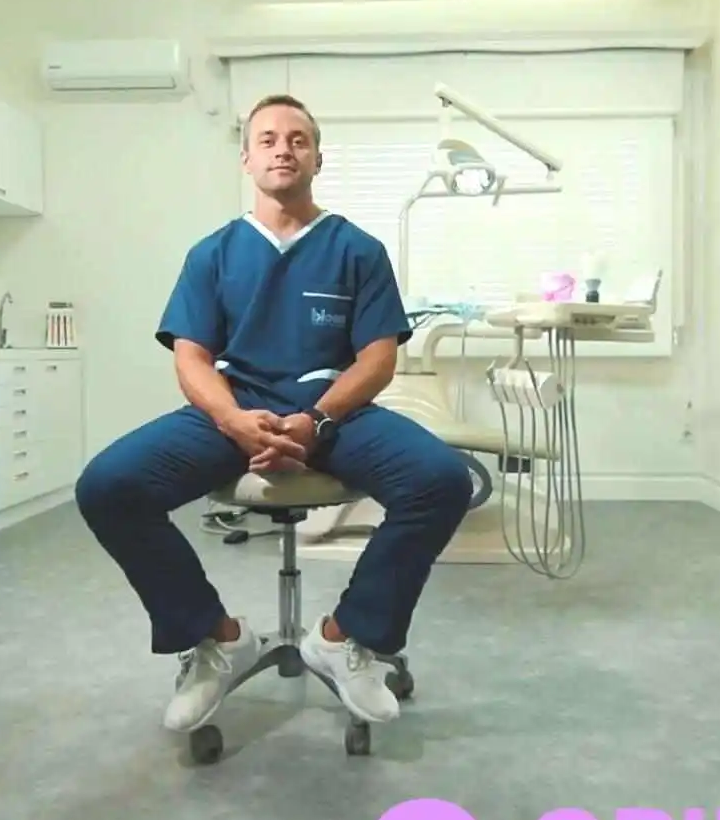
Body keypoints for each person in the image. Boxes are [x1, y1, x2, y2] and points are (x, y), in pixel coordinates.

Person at [74, 94, 474, 734]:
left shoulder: (357, 250)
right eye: (267, 139)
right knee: (108, 487)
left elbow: (377, 359)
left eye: (297, 139)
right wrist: (233, 420)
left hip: (335, 413)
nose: (283, 149)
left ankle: (345, 636)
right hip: (233, 410)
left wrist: (316, 419)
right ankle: (217, 638)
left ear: (318, 158)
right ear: (246, 158)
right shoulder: (213, 254)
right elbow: (191, 358)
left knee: (443, 480)